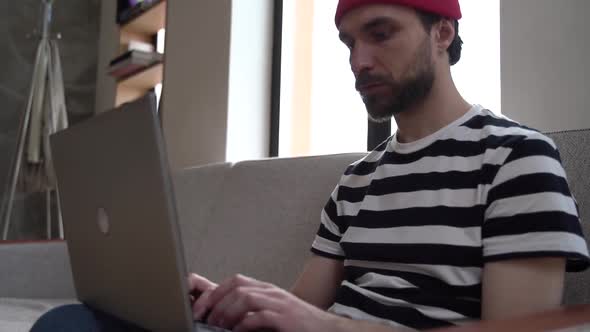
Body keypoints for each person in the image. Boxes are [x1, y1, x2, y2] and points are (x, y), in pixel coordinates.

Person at [32, 0, 590, 331]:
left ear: (442, 33)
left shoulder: (517, 158)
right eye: (348, 41)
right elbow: (301, 307)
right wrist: (228, 302)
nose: (358, 60)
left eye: (381, 33)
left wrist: (323, 327)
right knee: (70, 323)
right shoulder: (357, 182)